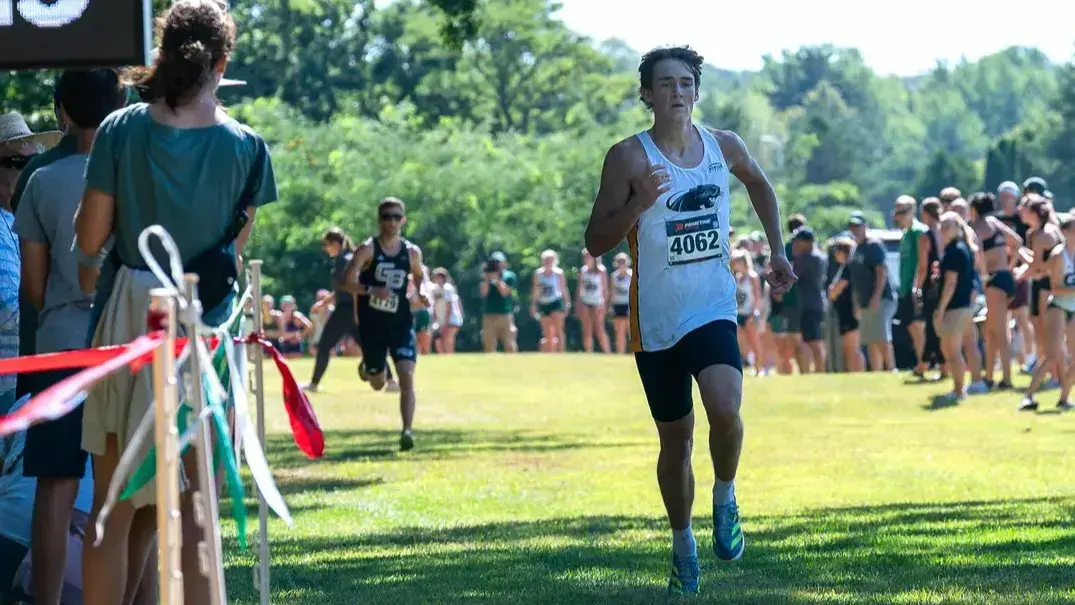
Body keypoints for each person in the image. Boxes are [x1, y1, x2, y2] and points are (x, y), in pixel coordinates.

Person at [72, 1, 278, 602]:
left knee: (113, 506)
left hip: (131, 316)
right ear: (222, 61)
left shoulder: (119, 129)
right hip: (205, 326)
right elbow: (230, 258)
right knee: (197, 506)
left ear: (162, 51)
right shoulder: (248, 147)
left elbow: (89, 240)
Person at [582, 46, 795, 595]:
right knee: (675, 444)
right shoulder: (629, 157)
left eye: (685, 82)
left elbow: (760, 185)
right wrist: (637, 205)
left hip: (712, 306)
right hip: (654, 322)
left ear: (696, 91)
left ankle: (725, 496)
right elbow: (595, 241)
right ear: (647, 94)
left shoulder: (724, 146)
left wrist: (778, 250)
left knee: (725, 407)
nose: (677, 91)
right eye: (665, 84)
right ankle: (683, 546)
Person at [13, 68, 126, 605]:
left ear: (61, 112)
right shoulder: (136, 174)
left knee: (54, 488)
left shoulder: (39, 181)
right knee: (120, 488)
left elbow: (32, 286)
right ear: (122, 102)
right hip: (125, 346)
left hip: (58, 346)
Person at [344, 197, 428, 451]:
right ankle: (369, 368)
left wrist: (420, 294)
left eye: (396, 217)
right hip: (372, 325)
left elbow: (420, 275)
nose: (391, 222)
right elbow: (347, 282)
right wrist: (371, 289)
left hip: (401, 322)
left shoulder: (411, 252)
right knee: (378, 382)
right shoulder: (368, 250)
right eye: (386, 217)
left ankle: (407, 430)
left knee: (406, 375)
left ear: (403, 220)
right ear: (379, 220)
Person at [968, 192, 1021, 390]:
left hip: (993, 280)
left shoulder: (977, 227)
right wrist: (1011, 265)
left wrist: (983, 277)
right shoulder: (995, 223)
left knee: (999, 332)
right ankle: (989, 375)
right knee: (991, 331)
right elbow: (1017, 242)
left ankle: (1007, 379)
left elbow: (978, 251)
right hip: (1004, 277)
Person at [1018, 195, 1065, 410]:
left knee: (1047, 338)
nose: (1020, 210)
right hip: (1044, 285)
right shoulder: (1039, 232)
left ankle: (1056, 378)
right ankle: (1057, 379)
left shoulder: (1042, 235)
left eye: (1024, 207)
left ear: (1034, 212)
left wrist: (1021, 264)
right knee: (1049, 339)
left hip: (1046, 288)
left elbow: (1039, 267)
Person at [303, 228, 361, 392]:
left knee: (323, 346)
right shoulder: (347, 258)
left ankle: (313, 384)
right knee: (369, 346)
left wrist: (357, 312)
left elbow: (354, 288)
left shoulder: (344, 260)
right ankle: (392, 380)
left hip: (346, 309)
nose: (325, 248)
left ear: (336, 244)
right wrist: (324, 302)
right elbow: (342, 288)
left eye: (327, 244)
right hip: (350, 308)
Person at [935, 213, 979, 402]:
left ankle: (959, 390)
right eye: (942, 226)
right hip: (963, 306)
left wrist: (941, 309)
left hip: (955, 307)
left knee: (952, 351)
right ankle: (958, 388)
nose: (944, 230)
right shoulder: (964, 249)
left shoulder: (954, 250)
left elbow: (950, 284)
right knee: (951, 349)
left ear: (958, 227)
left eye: (948, 226)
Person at [847, 211, 897, 372]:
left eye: (858, 225)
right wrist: (856, 303)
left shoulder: (873, 245)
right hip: (865, 300)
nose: (855, 229)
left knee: (881, 336)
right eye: (852, 226)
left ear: (865, 226)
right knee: (870, 338)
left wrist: (876, 297)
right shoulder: (855, 249)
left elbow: (881, 272)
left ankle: (891, 369)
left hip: (881, 298)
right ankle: (876, 372)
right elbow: (855, 280)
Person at [892, 195, 931, 378]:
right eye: (897, 211)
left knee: (917, 326)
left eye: (902, 211)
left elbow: (923, 262)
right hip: (905, 288)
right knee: (911, 326)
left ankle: (925, 362)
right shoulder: (905, 234)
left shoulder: (919, 231)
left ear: (912, 211)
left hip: (917, 287)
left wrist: (918, 286)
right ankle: (920, 361)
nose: (898, 215)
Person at [1043, 214, 1075, 411]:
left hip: (1073, 308)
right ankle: (1029, 395)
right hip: (1058, 307)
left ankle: (1064, 397)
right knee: (1052, 355)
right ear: (1064, 232)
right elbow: (1055, 288)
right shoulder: (1058, 255)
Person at [790, 227, 827, 373]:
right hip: (816, 303)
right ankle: (818, 370)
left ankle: (819, 371)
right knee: (813, 340)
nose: (796, 245)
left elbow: (791, 276)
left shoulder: (807, 258)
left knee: (814, 342)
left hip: (809, 305)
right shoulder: (820, 256)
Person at [827, 237, 864, 372]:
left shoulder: (849, 267)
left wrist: (832, 291)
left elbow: (836, 289)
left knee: (853, 348)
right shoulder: (843, 268)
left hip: (850, 311)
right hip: (844, 312)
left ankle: (859, 373)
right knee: (848, 348)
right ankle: (853, 373)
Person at [730, 251, 763, 373]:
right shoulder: (737, 277)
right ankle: (746, 364)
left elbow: (757, 296)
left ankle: (759, 369)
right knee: (741, 342)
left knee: (755, 342)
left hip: (750, 314)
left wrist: (754, 313)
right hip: (739, 313)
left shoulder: (752, 276)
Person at [530, 250, 569, 353]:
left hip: (556, 302)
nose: (548, 262)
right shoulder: (538, 273)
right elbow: (536, 290)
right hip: (544, 303)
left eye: (550, 260)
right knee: (547, 332)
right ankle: (550, 353)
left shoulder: (559, 273)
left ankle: (561, 352)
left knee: (558, 330)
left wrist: (567, 303)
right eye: (546, 260)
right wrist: (534, 305)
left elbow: (563, 289)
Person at [479, 251, 518, 353]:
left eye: (499, 262)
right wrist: (487, 278)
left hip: (505, 314)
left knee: (509, 343)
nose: (497, 265)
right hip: (489, 314)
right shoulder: (486, 275)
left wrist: (497, 280)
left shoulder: (509, 276)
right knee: (488, 344)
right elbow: (483, 293)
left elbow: (504, 292)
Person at [576, 248, 611, 353]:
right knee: (587, 329)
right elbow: (580, 288)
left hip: (598, 302)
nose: (587, 258)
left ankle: (607, 352)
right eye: (585, 256)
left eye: (589, 256)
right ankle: (588, 351)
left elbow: (605, 289)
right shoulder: (583, 270)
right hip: (586, 301)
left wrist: (605, 305)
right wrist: (578, 303)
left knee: (599, 328)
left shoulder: (601, 270)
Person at [430, 267, 463, 354]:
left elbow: (449, 306)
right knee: (438, 339)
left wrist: (446, 321)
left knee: (447, 339)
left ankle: (449, 357)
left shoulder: (448, 288)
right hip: (440, 319)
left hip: (451, 319)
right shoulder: (435, 288)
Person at [608, 253, 633, 354]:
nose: (621, 264)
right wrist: (610, 306)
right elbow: (612, 292)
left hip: (628, 304)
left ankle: (634, 353)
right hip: (618, 304)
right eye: (619, 262)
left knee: (631, 330)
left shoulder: (631, 275)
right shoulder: (614, 276)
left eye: (623, 261)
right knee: (619, 331)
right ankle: (620, 352)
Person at [412, 265, 434, 355]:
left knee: (423, 336)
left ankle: (425, 354)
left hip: (422, 312)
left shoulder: (426, 285)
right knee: (414, 338)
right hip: (413, 312)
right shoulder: (410, 282)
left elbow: (425, 302)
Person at [308, 288, 332, 356]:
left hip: (329, 339)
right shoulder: (314, 309)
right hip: (316, 339)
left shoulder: (332, 310)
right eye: (320, 298)